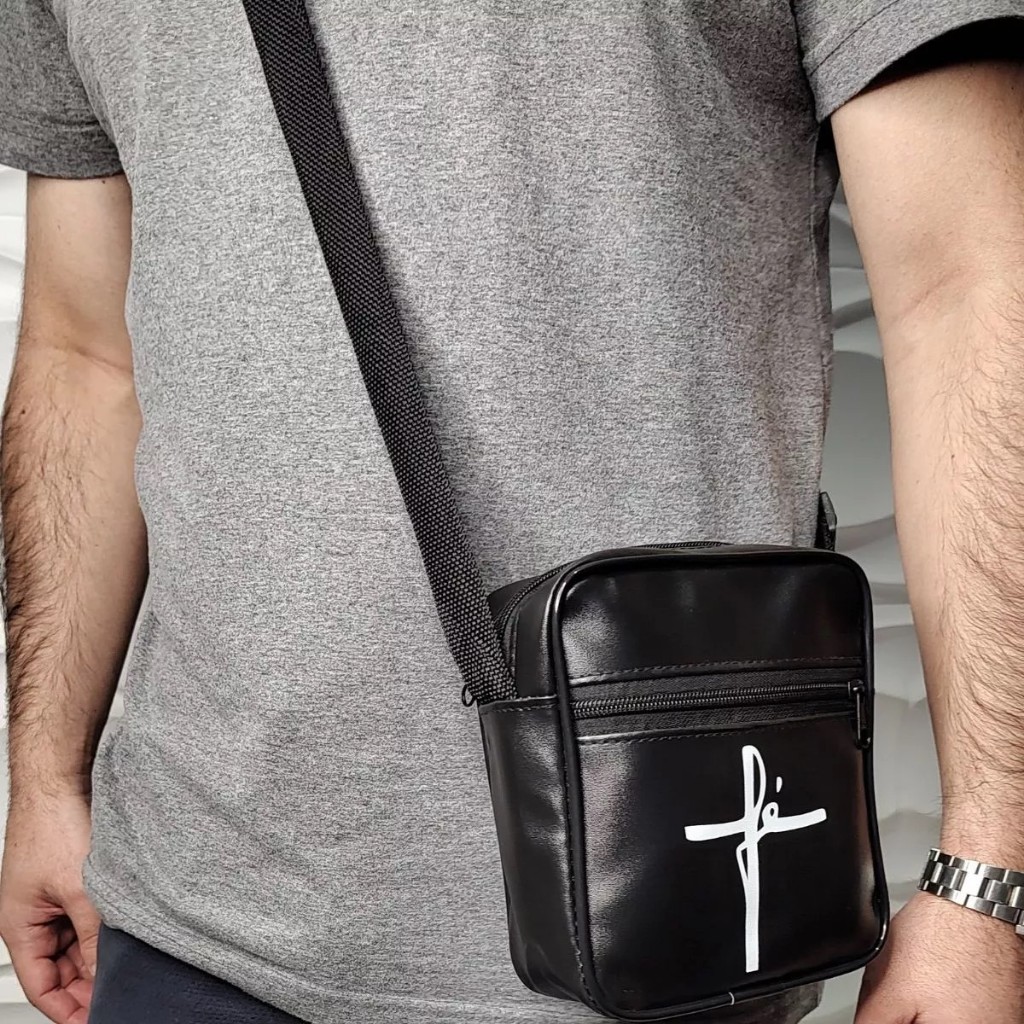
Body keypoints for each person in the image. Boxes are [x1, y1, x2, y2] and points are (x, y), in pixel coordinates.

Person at [0, 2, 1023, 1023]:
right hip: (186, 925)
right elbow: (83, 353)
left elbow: (968, 286)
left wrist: (991, 880)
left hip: (653, 934)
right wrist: (45, 777)